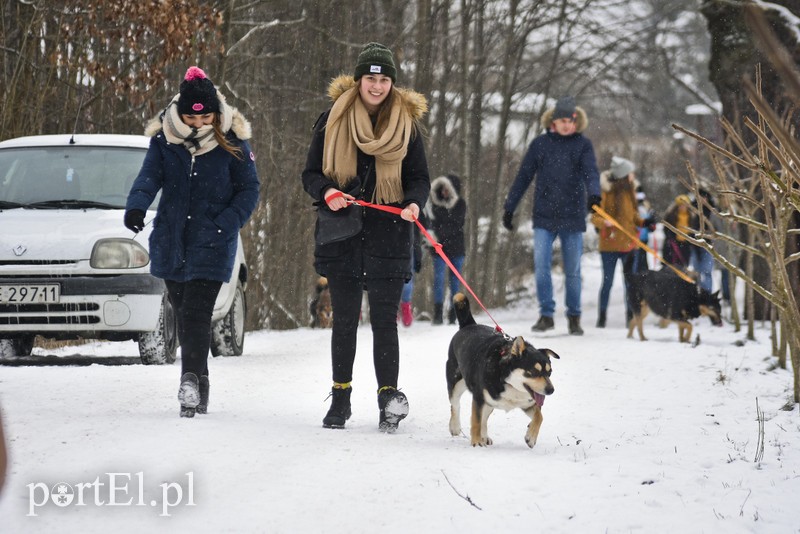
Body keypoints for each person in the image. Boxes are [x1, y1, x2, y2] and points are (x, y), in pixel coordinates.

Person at [301, 42, 430, 432]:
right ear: (358, 81)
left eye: (384, 79)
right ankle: (340, 399)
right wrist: (328, 192)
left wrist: (413, 203)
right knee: (344, 321)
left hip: (389, 236)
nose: (377, 86)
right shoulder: (332, 120)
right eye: (371, 78)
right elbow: (310, 174)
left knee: (384, 322)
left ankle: (387, 399)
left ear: (393, 83)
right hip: (341, 235)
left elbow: (419, 178)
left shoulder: (407, 126)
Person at [125, 66, 260, 418]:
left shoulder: (233, 143)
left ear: (215, 113)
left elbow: (249, 190)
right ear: (180, 113)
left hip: (214, 241)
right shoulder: (164, 142)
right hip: (171, 240)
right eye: (190, 117)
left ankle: (187, 381)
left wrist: (226, 223)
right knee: (185, 315)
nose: (198, 124)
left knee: (197, 313)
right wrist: (137, 206)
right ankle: (200, 387)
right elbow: (148, 177)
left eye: (205, 117)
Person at [502, 96, 601, 335]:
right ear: (553, 122)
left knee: (573, 270)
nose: (566, 124)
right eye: (562, 120)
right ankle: (546, 315)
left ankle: (574, 316)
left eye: (570, 120)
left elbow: (591, 172)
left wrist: (594, 195)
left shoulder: (583, 145)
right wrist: (510, 207)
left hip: (573, 215)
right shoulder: (540, 145)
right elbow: (524, 176)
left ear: (576, 121)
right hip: (545, 215)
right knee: (541, 266)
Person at [590, 156, 647, 327]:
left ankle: (630, 317)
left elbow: (633, 216)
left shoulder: (631, 192)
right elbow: (595, 216)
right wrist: (604, 223)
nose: (633, 176)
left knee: (630, 283)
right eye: (630, 173)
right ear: (623, 175)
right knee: (607, 283)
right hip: (609, 246)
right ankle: (602, 317)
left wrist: (644, 222)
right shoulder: (606, 192)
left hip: (629, 245)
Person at [425, 174, 467, 325]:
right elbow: (432, 224)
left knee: (455, 282)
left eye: (447, 189)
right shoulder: (435, 205)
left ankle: (453, 313)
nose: (444, 193)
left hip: (457, 249)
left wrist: (438, 233)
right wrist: (431, 236)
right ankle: (437, 313)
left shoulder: (460, 204)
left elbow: (456, 225)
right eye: (442, 189)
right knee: (438, 280)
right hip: (439, 249)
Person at [661, 194, 693, 269]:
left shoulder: (691, 216)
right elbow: (666, 229)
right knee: (670, 267)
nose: (682, 207)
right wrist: (671, 239)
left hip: (685, 245)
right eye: (680, 205)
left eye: (684, 205)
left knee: (683, 267)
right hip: (672, 244)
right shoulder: (670, 215)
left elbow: (692, 231)